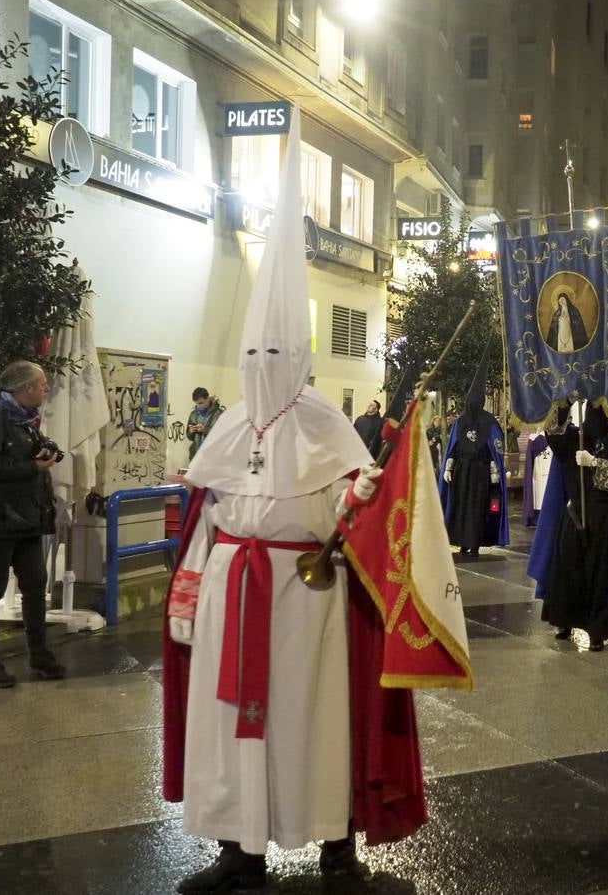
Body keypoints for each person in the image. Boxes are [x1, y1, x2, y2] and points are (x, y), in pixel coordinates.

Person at [163, 121, 422, 894]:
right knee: (231, 727)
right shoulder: (229, 422)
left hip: (305, 602)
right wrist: (192, 592)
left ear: (302, 359)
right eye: (253, 354)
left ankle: (337, 849)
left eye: (275, 355)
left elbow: (356, 508)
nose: (261, 367)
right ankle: (240, 851)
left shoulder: (328, 425)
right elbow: (208, 516)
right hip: (231, 597)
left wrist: (365, 492)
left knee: (312, 723)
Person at [0, 362, 64, 687]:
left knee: (35, 585)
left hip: (27, 519)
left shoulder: (22, 418)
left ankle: (40, 656)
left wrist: (44, 451)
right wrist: (30, 467)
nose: (46, 389)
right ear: (25, 388)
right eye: (42, 384)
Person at [529, 403, 608, 652]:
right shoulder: (573, 438)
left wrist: (595, 463)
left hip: (605, 522)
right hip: (574, 515)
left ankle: (597, 632)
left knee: (600, 578)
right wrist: (564, 402)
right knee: (568, 572)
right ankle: (564, 621)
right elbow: (553, 432)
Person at [439, 349, 508, 559]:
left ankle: (475, 543)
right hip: (461, 472)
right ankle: (461, 542)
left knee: (478, 508)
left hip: (480, 473)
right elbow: (453, 446)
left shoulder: (489, 422)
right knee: (460, 506)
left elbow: (495, 448)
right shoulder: (460, 421)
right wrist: (448, 467)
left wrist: (495, 471)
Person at [521, 430, 552, 528]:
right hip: (539, 470)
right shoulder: (534, 437)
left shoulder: (535, 438)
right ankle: (538, 517)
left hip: (545, 468)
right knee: (540, 493)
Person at [186, 387, 225, 461]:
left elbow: (222, 436)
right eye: (196, 403)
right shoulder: (193, 414)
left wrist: (204, 430)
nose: (198, 406)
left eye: (201, 403)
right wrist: (191, 431)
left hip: (212, 457)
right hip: (195, 456)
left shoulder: (219, 414)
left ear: (207, 398)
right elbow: (190, 437)